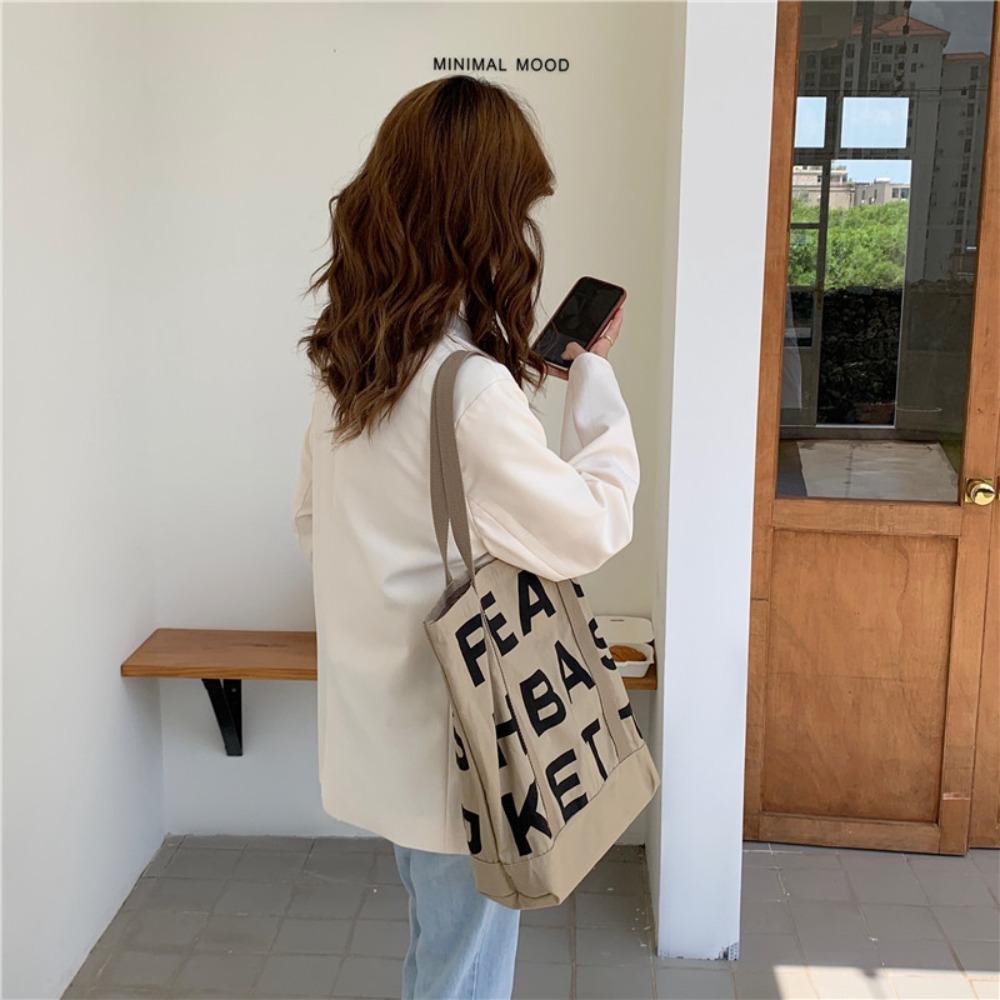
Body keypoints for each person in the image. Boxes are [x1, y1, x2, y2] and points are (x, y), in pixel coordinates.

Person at [291, 74, 640, 1000]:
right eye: (517, 209)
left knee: (439, 942)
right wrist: (593, 382)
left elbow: (314, 525)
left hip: (384, 721)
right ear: (481, 218)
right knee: (460, 970)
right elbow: (592, 526)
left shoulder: (349, 367)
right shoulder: (470, 389)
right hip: (470, 734)